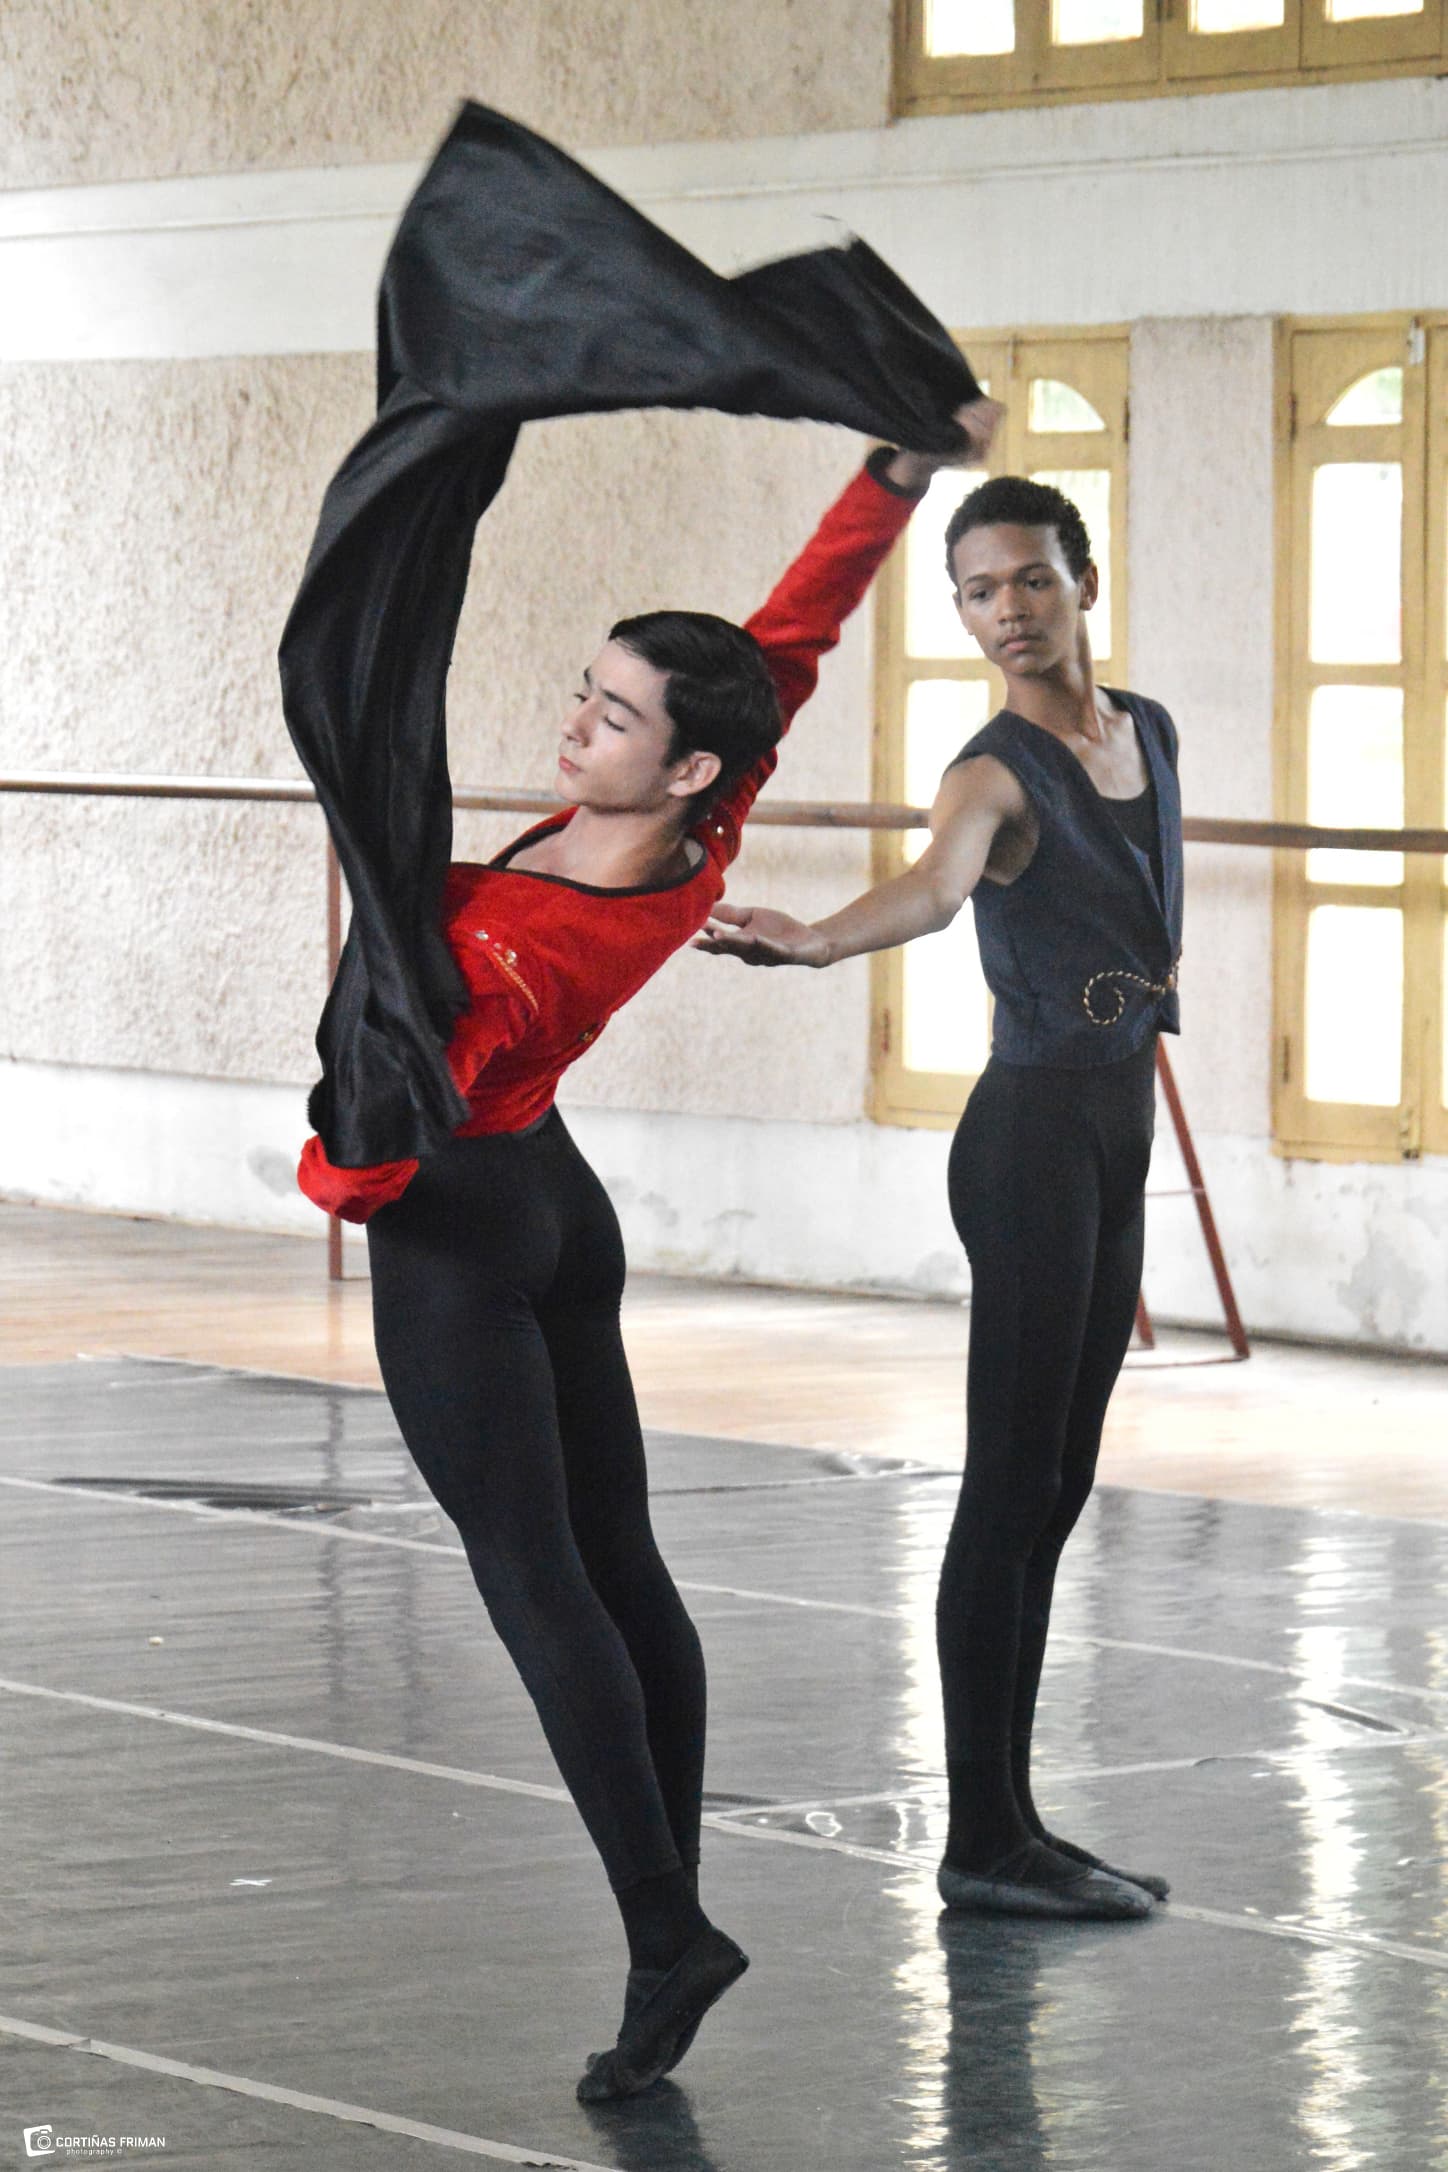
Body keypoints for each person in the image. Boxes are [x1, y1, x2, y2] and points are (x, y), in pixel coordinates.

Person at [296, 398, 1002, 2095]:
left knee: (539, 1583)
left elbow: (388, 1137)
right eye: (589, 692)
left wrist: (342, 1159)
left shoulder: (531, 946)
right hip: (560, 1206)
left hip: (471, 1224)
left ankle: (668, 1929)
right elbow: (792, 639)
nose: (578, 723)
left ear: (681, 764)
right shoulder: (705, 823)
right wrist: (889, 478)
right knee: (619, 1564)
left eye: (612, 716)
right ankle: (663, 1928)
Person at [696, 474, 1182, 1921]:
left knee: (1062, 1482)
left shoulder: (1143, 728)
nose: (1009, 613)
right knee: (1008, 1485)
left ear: (1082, 580)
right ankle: (983, 1838)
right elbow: (930, 889)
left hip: (1118, 1123)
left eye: (1030, 579)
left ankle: (1017, 1823)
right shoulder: (988, 773)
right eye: (978, 592)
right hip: (1029, 1136)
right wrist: (817, 943)